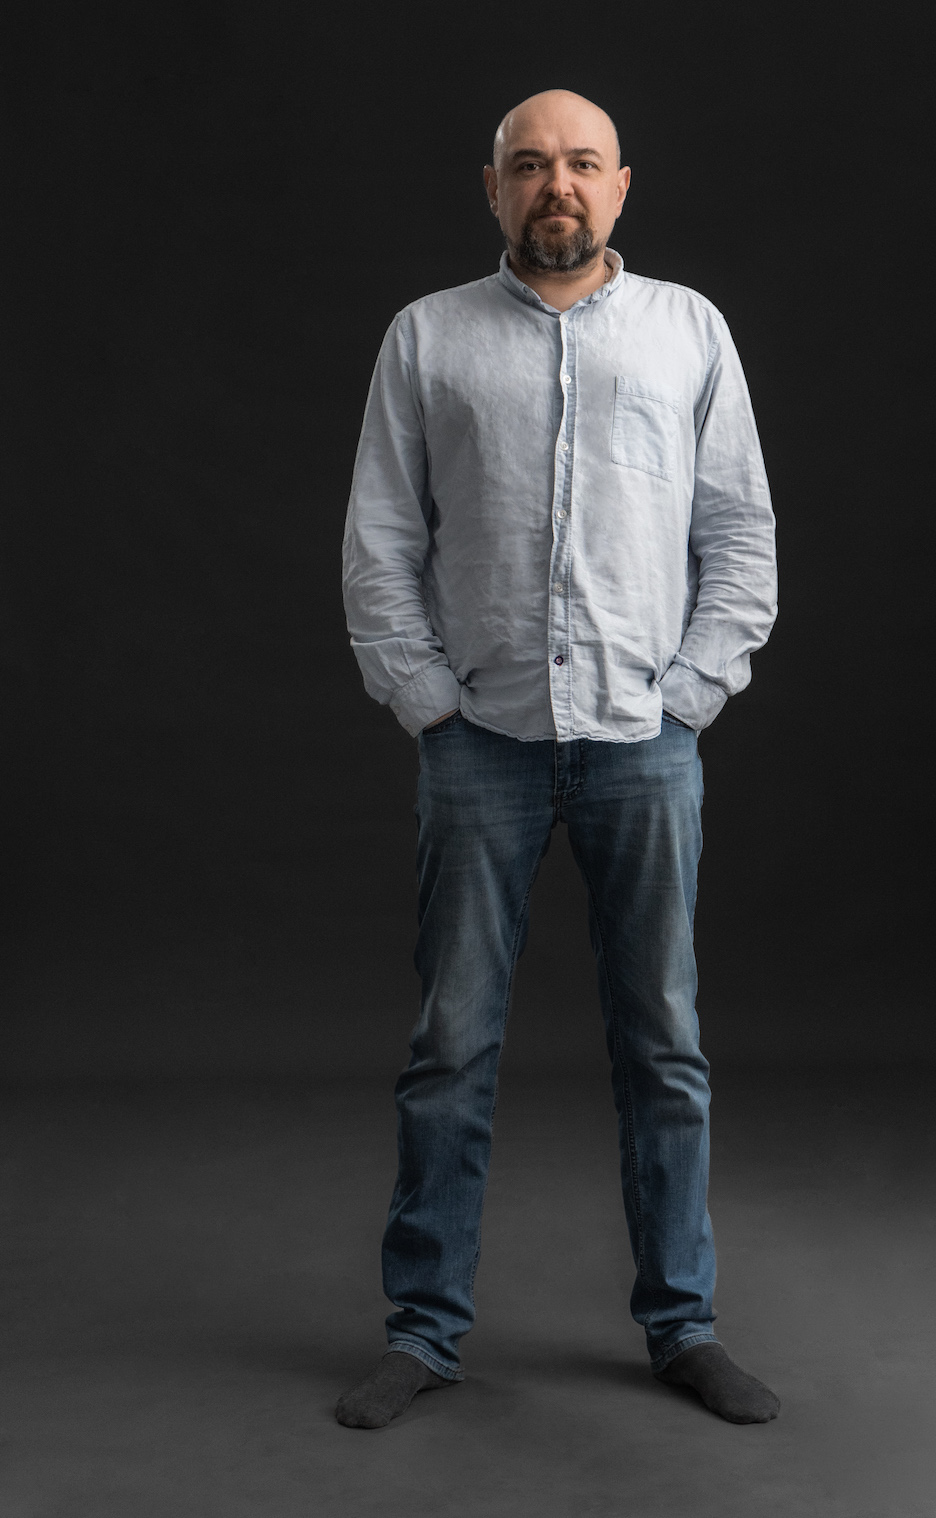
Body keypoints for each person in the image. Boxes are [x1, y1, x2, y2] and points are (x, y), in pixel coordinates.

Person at [337, 89, 779, 1429]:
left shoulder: (689, 331)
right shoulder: (427, 337)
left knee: (665, 1045)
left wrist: (687, 695)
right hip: (481, 746)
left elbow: (739, 534)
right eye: (530, 165)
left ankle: (683, 1324)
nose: (557, 186)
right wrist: (428, 702)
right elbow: (379, 541)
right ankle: (423, 1332)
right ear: (492, 187)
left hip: (646, 745)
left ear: (622, 184)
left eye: (582, 163)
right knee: (449, 1047)